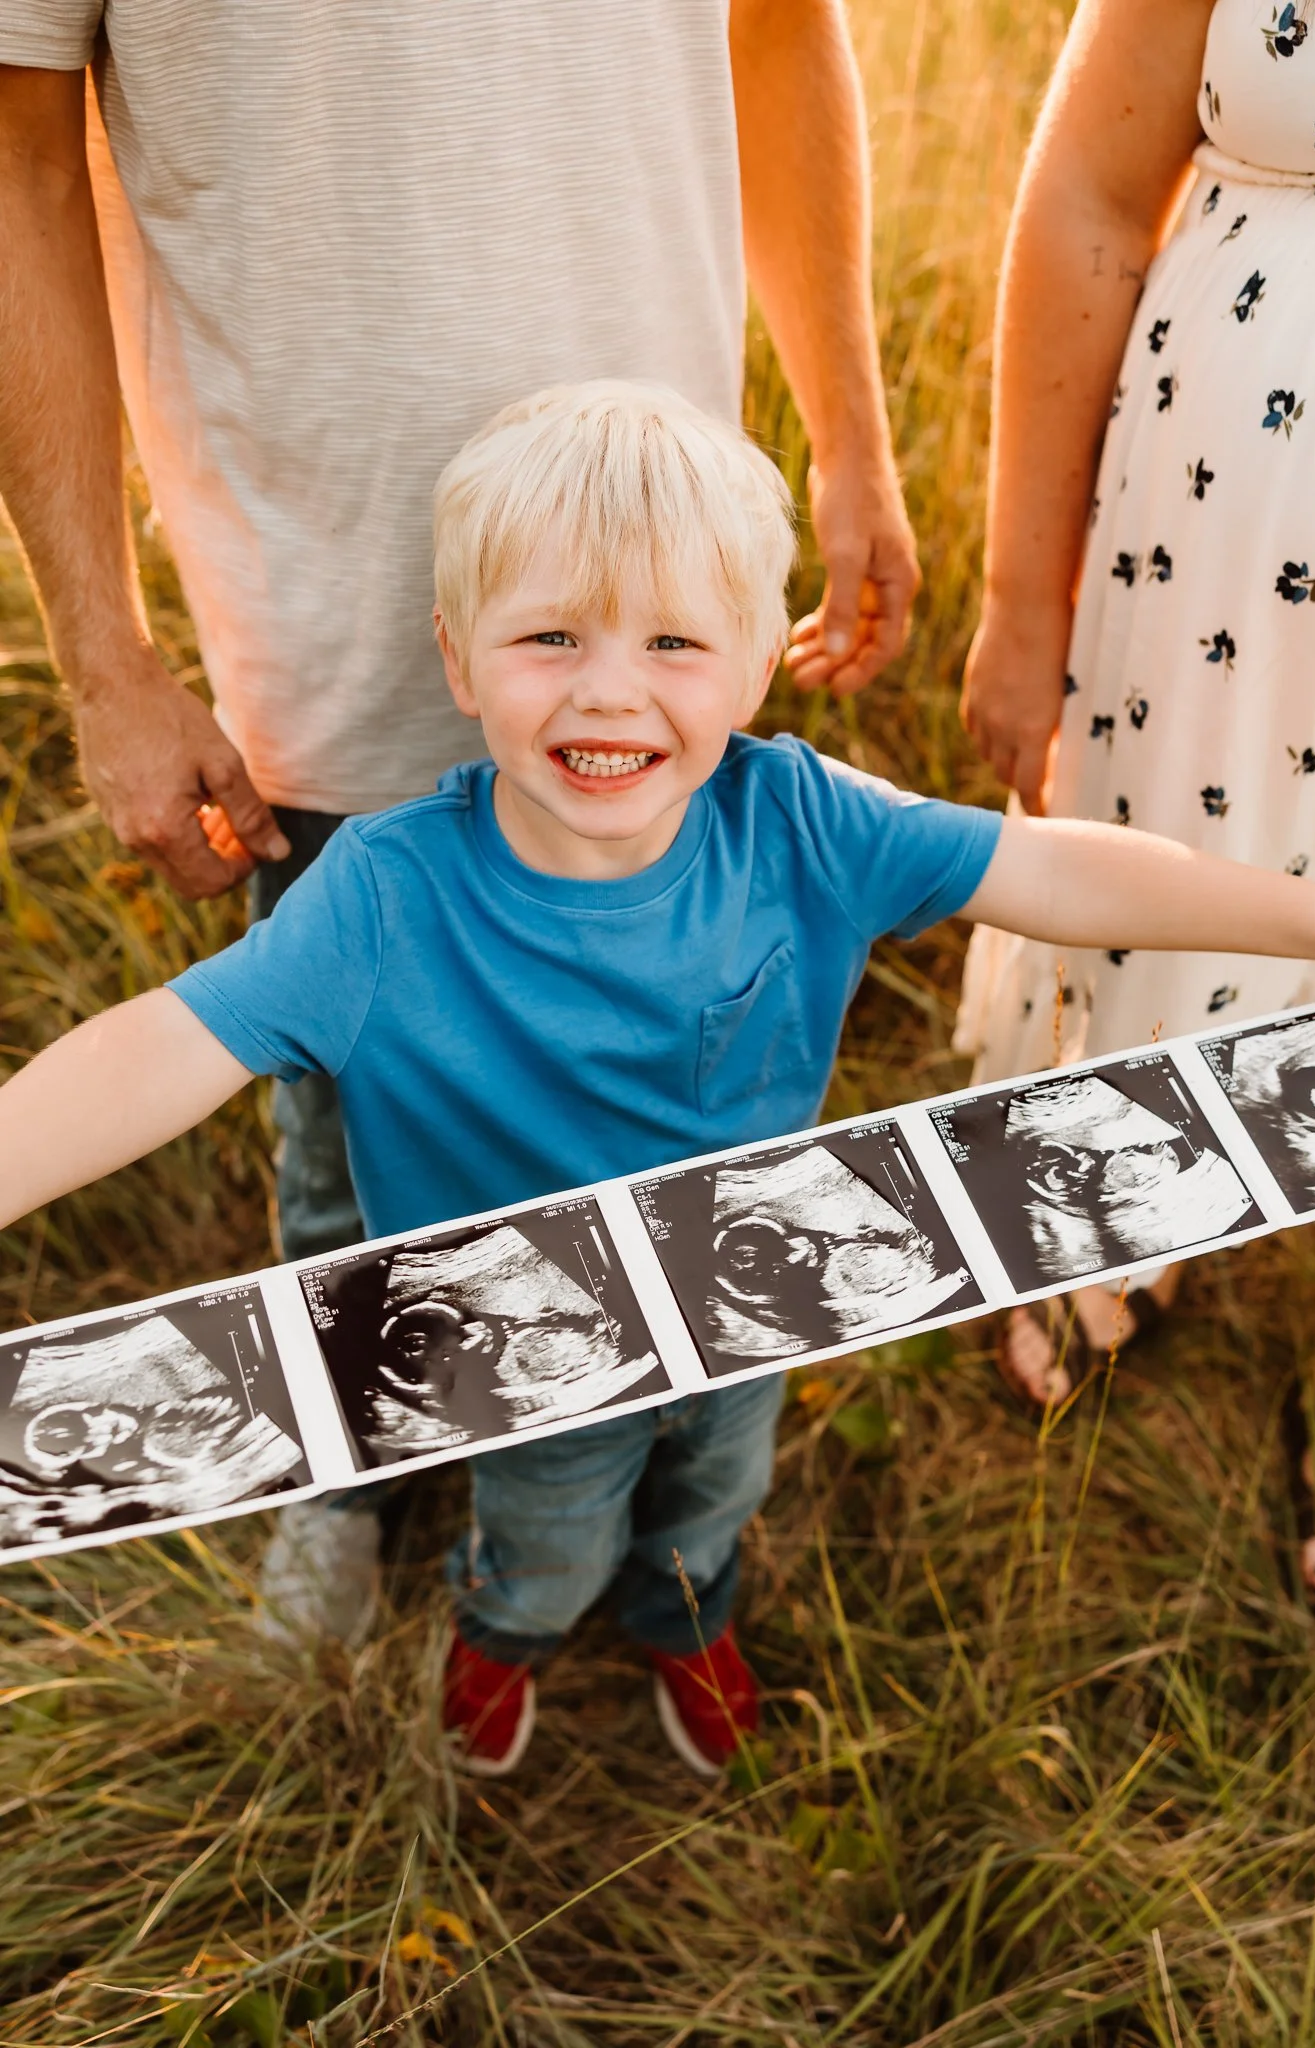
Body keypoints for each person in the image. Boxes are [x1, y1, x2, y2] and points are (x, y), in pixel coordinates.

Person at [4, 382, 1315, 1771]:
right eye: (549, 638)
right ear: (458, 661)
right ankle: (506, 1633)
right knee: (549, 1532)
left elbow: (1055, 868)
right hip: (516, 1345)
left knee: (718, 1486)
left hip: (753, 1290)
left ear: (759, 661)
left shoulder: (801, 821)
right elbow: (160, 1046)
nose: (609, 689)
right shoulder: (380, 897)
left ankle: (685, 1610)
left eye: (672, 641)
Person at [0, 0, 919, 1629]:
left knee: (653, 1082)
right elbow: (17, 151)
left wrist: (850, 436)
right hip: (326, 612)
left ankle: (644, 1457)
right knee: (346, 1129)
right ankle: (356, 1466)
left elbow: (778, 33)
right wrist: (103, 663)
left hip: (655, 595)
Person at [954, 0, 1315, 1593]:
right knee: (1174, 858)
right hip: (1217, 545)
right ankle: (1131, 1187)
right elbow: (1087, 197)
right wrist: (1023, 600)